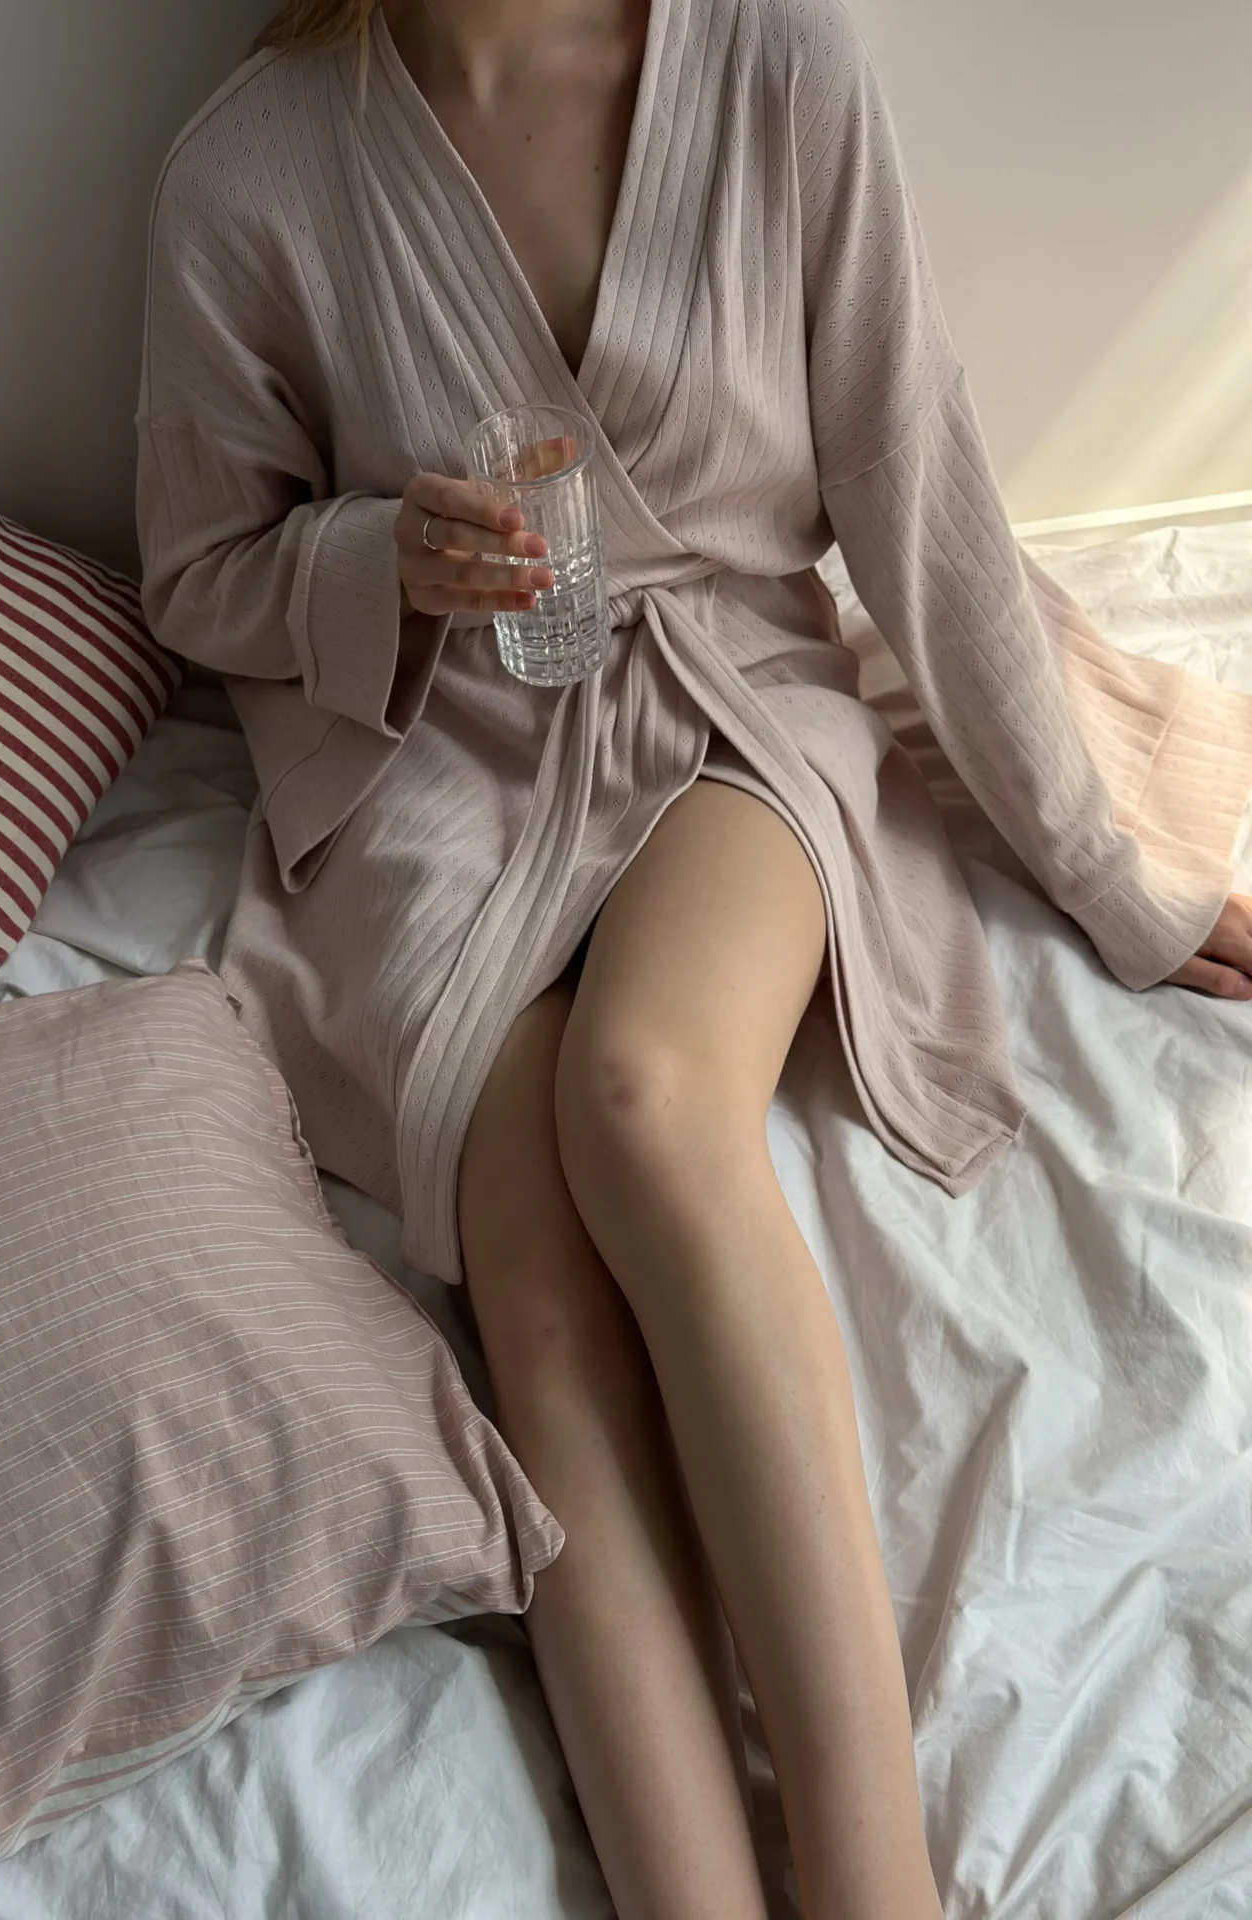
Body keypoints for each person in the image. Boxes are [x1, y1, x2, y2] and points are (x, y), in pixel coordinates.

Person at [134, 2, 1252, 1914]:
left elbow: (914, 486)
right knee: (531, 1282)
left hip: (732, 700)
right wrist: (377, 565)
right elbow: (197, 571)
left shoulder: (776, 65)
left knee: (647, 1100)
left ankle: (876, 1884)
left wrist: (1109, 875)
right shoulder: (249, 169)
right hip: (431, 769)